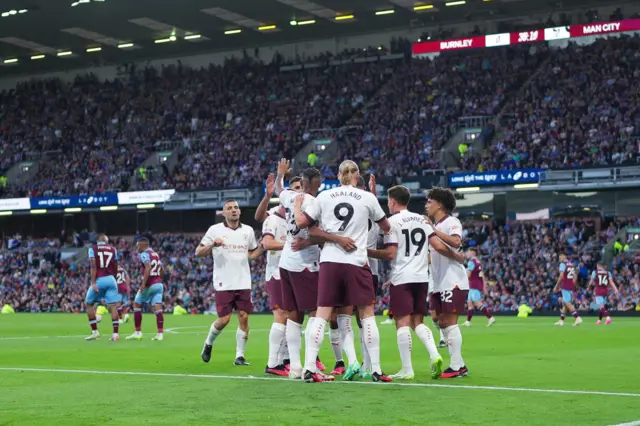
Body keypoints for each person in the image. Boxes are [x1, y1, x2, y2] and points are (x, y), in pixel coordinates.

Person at [294, 160, 393, 383]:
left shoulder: (324, 196)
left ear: (339, 176)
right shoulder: (368, 198)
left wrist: (298, 204)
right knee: (367, 315)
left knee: (322, 314)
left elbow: (303, 224)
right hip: (357, 261)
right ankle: (375, 369)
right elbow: (386, 227)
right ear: (357, 176)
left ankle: (309, 367)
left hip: (330, 260)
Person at [369, 185, 462, 380]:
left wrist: (366, 251)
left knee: (402, 323)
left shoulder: (391, 222)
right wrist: (455, 255)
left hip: (402, 276)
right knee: (418, 321)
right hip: (422, 278)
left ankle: (407, 369)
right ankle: (435, 354)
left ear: (393, 201)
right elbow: (437, 245)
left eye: (388, 201)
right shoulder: (422, 219)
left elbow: (390, 253)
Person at [274, 159, 350, 380]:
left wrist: (280, 175)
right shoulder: (316, 203)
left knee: (293, 315)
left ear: (303, 181)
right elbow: (316, 232)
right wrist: (321, 241)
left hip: (286, 261)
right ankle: (311, 368)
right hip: (305, 266)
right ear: (319, 184)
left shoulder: (291, 196)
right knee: (318, 315)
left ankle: (295, 368)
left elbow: (279, 190)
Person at [197, 200, 264, 366]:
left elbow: (250, 254)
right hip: (223, 282)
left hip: (243, 281)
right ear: (224, 213)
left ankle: (240, 356)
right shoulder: (215, 230)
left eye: (236, 208)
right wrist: (213, 243)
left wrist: (261, 248)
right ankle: (208, 343)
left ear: (240, 212)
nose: (233, 210)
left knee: (244, 317)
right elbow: (198, 252)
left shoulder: (248, 231)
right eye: (229, 208)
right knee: (224, 319)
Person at [425, 187, 469, 379]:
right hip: (438, 281)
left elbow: (456, 241)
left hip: (453, 280)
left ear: (439, 204)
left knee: (450, 322)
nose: (426, 205)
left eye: (429, 201)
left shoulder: (452, 221)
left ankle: (456, 366)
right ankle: (459, 364)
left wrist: (433, 230)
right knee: (441, 322)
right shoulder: (433, 226)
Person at [262, 204, 290, 376]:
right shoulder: (272, 219)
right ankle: (273, 363)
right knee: (281, 316)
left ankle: (282, 361)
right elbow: (267, 243)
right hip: (276, 273)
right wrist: (290, 244)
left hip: (289, 273)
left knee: (289, 317)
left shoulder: (293, 221)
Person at [126, 238, 165, 341]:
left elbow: (147, 267)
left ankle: (138, 332)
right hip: (158, 284)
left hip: (150, 284)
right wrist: (160, 280)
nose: (137, 247)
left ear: (143, 245)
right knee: (158, 308)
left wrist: (144, 284)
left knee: (137, 304)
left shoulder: (144, 254)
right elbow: (162, 269)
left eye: (138, 245)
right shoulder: (156, 254)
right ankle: (160, 334)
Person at [84, 234, 120, 341]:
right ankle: (115, 334)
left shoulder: (93, 249)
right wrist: (114, 276)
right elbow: (116, 265)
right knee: (113, 306)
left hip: (100, 279)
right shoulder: (113, 249)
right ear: (106, 241)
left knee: (89, 304)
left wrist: (93, 282)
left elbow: (93, 266)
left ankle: (95, 332)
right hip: (111, 279)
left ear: (98, 240)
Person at [463, 247, 495, 327]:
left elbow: (469, 275)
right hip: (475, 285)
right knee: (470, 303)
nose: (467, 253)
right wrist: (484, 287)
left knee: (477, 302)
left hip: (474, 285)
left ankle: (490, 317)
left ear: (473, 253)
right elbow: (482, 275)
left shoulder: (471, 262)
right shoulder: (478, 262)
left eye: (468, 252)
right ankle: (468, 322)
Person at [553, 253, 582, 326]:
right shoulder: (571, 264)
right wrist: (573, 284)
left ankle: (577, 318)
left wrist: (556, 286)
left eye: (560, 256)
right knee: (566, 304)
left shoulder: (563, 264)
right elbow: (575, 276)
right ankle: (561, 321)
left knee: (567, 302)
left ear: (564, 256)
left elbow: (561, 276)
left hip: (565, 285)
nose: (559, 257)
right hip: (570, 286)